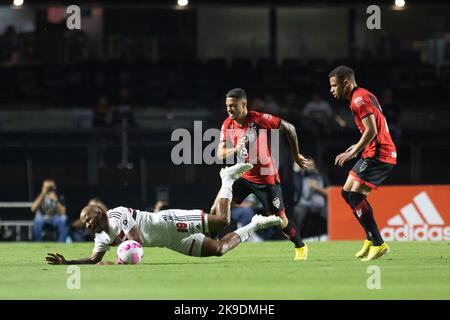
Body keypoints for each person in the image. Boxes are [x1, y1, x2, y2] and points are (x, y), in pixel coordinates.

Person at [45, 163, 282, 265]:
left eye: (88, 219)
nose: (86, 225)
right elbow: (94, 259)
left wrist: (117, 261)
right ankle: (255, 225)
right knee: (218, 249)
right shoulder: (101, 237)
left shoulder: (116, 215)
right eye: (85, 222)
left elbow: (135, 242)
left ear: (98, 214)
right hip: (170, 242)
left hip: (170, 223)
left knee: (222, 220)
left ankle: (227, 178)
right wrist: (69, 262)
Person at [217, 88, 310, 260]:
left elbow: (290, 128)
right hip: (244, 176)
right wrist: (234, 149)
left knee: (280, 221)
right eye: (227, 106)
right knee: (221, 206)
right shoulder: (227, 124)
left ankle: (300, 246)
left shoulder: (258, 119)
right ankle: (214, 241)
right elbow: (219, 153)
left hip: (266, 179)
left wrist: (295, 155)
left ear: (243, 104)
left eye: (233, 106)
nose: (229, 109)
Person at [329, 66, 397, 261]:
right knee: (346, 193)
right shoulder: (360, 95)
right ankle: (369, 238)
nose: (331, 90)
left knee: (356, 195)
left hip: (380, 153)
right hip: (371, 151)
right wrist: (356, 147)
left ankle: (378, 242)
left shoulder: (359, 99)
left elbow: (372, 130)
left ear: (346, 83)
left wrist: (355, 151)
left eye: (334, 86)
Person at [292, 158, 328, 237]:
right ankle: (296, 237)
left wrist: (317, 188)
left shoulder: (322, 177)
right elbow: (295, 172)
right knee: (299, 210)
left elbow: (330, 192)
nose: (310, 167)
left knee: (330, 212)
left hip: (321, 206)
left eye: (311, 165)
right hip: (305, 205)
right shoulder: (300, 177)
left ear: (315, 166)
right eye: (308, 165)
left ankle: (330, 236)